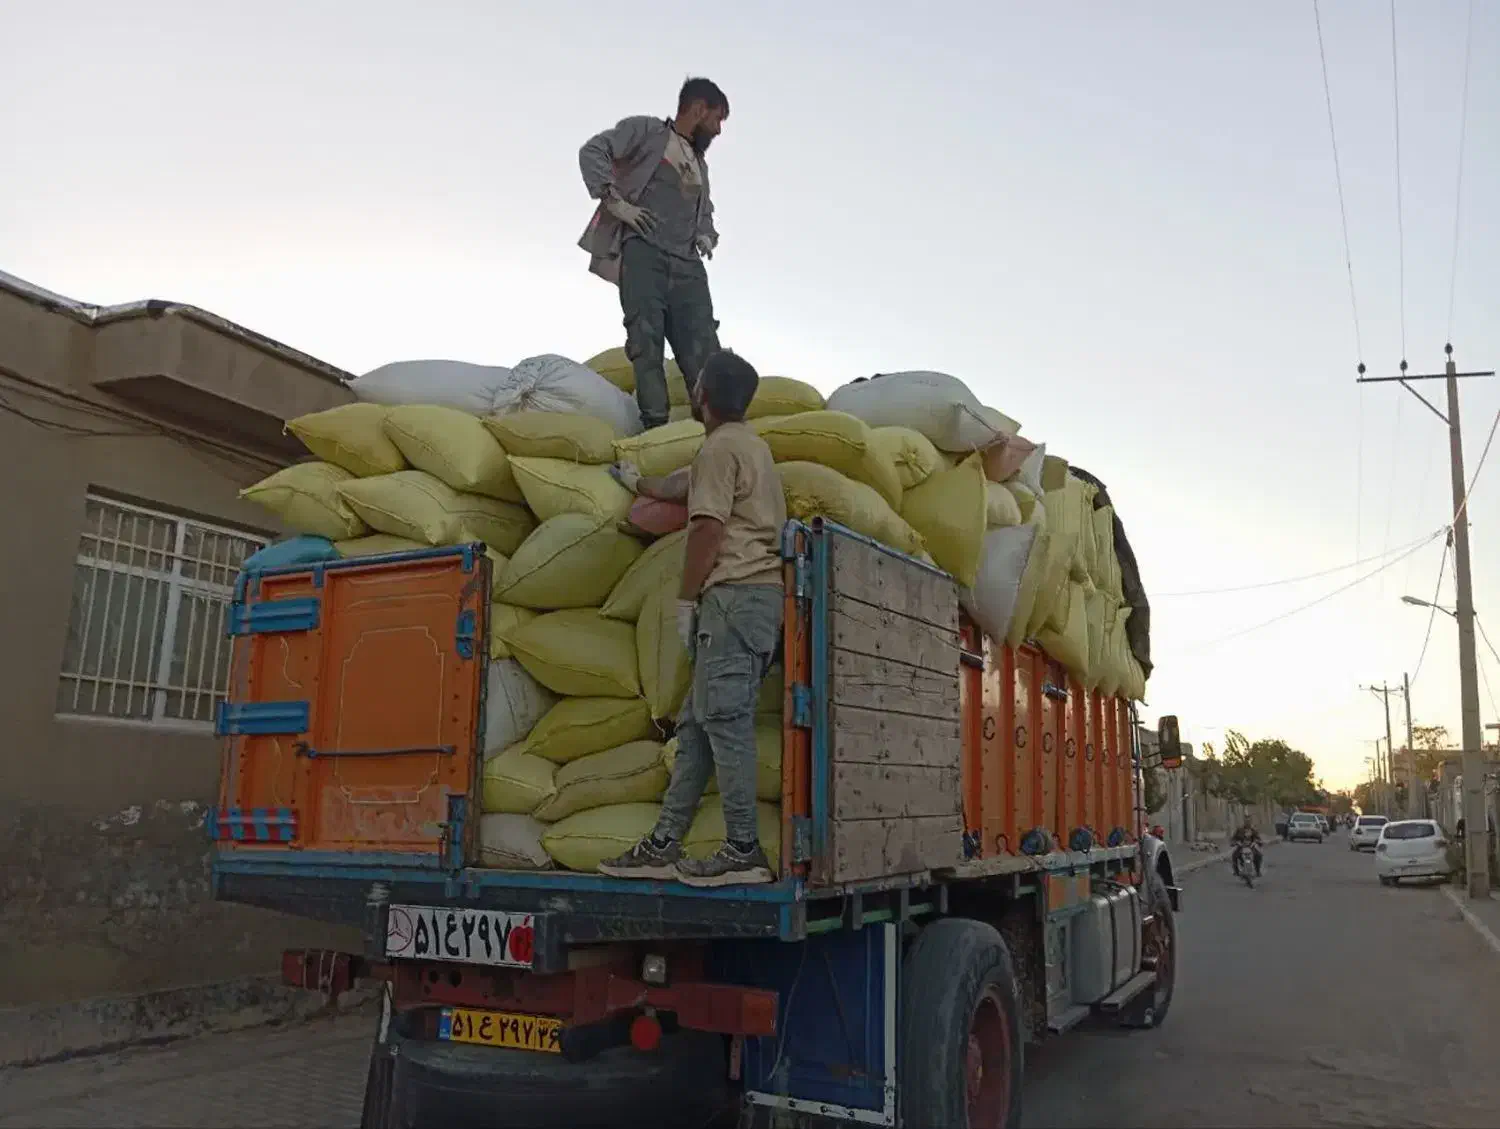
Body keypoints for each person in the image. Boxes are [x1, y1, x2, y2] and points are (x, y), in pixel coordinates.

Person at [599, 350, 787, 886]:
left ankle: (744, 849)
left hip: (733, 599)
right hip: (752, 605)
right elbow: (684, 484)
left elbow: (706, 526)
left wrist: (685, 599)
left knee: (725, 723)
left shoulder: (719, 450)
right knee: (699, 725)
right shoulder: (747, 448)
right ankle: (664, 843)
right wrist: (640, 483)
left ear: (702, 395)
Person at [578, 78, 728, 430]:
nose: (719, 130)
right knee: (646, 343)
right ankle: (657, 429)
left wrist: (706, 233)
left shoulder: (699, 164)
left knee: (704, 347)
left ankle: (716, 431)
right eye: (717, 119)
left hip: (688, 266)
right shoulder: (646, 132)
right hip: (644, 253)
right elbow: (592, 152)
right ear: (698, 108)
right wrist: (617, 204)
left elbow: (704, 212)